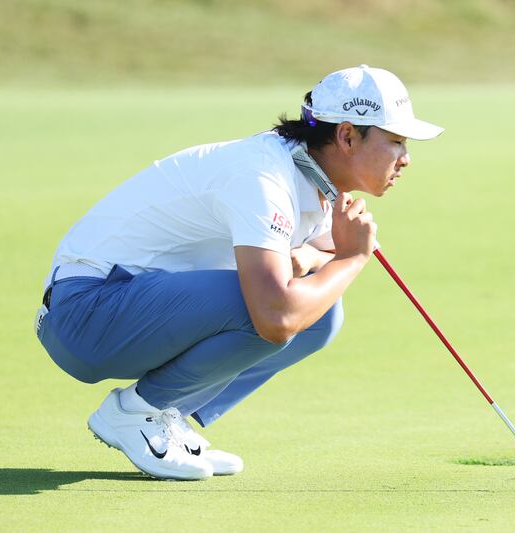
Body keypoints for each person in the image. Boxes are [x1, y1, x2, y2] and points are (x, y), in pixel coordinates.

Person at [34, 65, 444, 480]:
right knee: (276, 307)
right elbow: (276, 315)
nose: (406, 159)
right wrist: (353, 258)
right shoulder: (263, 175)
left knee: (319, 315)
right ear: (347, 136)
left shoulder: (312, 174)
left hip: (126, 310)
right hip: (85, 313)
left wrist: (308, 259)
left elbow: (320, 252)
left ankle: (166, 414)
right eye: (396, 142)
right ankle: (137, 413)